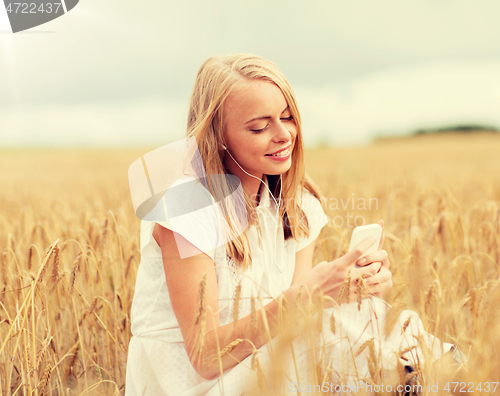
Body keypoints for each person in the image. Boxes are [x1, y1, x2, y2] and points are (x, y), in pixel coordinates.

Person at [125, 54, 461, 396]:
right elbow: (206, 356)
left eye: (287, 117)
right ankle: (443, 378)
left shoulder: (298, 204)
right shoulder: (186, 206)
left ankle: (444, 378)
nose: (284, 134)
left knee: (355, 317)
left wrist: (352, 287)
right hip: (189, 383)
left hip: (264, 366)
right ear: (219, 136)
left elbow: (295, 319)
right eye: (259, 126)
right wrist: (310, 294)